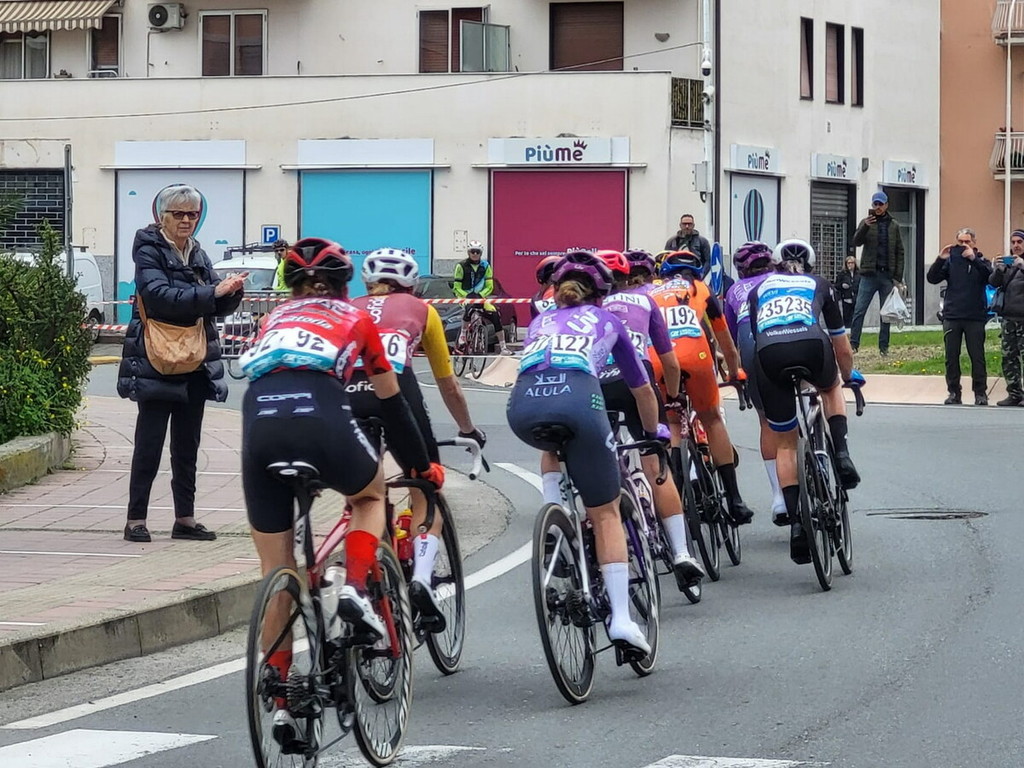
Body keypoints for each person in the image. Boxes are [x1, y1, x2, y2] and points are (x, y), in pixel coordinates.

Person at [238, 238, 443, 751]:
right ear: (343, 285)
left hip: (259, 425)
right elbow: (392, 405)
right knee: (369, 497)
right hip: (320, 416)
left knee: (277, 571)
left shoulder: (274, 318)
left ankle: (281, 701)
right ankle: (353, 587)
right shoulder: (356, 317)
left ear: (292, 287)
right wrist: (421, 466)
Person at [506, 250, 661, 657]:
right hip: (579, 401)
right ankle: (622, 620)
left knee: (553, 444)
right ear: (602, 293)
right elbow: (642, 388)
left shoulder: (539, 320)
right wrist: (652, 433)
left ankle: (555, 517)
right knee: (605, 511)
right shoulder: (608, 320)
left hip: (522, 407)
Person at [349, 247, 486, 621]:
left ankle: (366, 575)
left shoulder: (350, 307)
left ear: (367, 281)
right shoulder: (423, 310)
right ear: (411, 283)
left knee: (363, 494)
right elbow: (448, 383)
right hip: (396, 393)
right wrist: (468, 429)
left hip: (348, 395)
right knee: (425, 486)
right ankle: (422, 578)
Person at [117, 183, 247, 544]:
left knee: (187, 447)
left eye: (193, 214)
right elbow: (158, 297)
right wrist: (212, 293)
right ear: (163, 216)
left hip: (195, 361)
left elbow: (212, 303)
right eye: (179, 214)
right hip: (155, 360)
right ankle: (136, 519)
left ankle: (185, 519)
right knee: (149, 444)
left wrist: (231, 293)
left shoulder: (198, 252)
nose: (186, 220)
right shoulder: (148, 249)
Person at [748, 240, 862, 564]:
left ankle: (798, 525)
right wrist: (848, 376)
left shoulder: (758, 290)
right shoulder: (819, 284)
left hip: (769, 353)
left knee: (786, 444)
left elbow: (759, 336)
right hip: (812, 344)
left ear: (775, 266)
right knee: (831, 388)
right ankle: (842, 455)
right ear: (809, 266)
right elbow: (841, 345)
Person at [596, 249, 705, 590]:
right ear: (629, 277)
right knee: (657, 466)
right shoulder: (645, 302)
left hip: (596, 386)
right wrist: (671, 396)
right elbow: (670, 362)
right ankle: (682, 553)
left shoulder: (585, 310)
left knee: (599, 465)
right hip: (636, 382)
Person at [649, 250, 754, 525]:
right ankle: (735, 499)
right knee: (712, 419)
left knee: (673, 423)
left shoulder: (651, 293)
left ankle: (676, 495)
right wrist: (735, 372)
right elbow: (726, 341)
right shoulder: (701, 289)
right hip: (696, 356)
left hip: (660, 361)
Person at [723, 242, 789, 524]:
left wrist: (734, 373)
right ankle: (821, 453)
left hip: (754, 350)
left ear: (741, 271)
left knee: (767, 421)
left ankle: (779, 498)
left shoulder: (734, 292)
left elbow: (730, 340)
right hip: (795, 339)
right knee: (814, 392)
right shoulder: (785, 279)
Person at [927, 228, 992, 406]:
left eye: (967, 242)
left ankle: (980, 393)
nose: (963, 245)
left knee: (977, 356)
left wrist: (973, 259)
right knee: (951, 357)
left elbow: (990, 277)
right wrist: (940, 259)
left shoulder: (982, 261)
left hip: (975, 316)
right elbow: (932, 278)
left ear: (974, 243)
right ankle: (954, 392)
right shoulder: (951, 262)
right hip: (952, 315)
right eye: (960, 242)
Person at [849, 191, 905, 356]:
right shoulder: (866, 222)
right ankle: (854, 344)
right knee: (859, 310)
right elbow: (856, 242)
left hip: (886, 276)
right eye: (876, 204)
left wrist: (897, 277)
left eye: (881, 204)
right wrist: (865, 226)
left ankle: (883, 347)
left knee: (886, 313)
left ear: (886, 205)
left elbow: (900, 251)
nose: (878, 207)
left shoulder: (894, 225)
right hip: (868, 275)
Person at [453, 240, 511, 355]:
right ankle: (463, 335)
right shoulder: (461, 266)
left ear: (481, 253)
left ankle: (503, 347)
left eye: (477, 252)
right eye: (472, 251)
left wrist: (481, 295)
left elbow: (489, 286)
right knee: (469, 308)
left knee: (495, 314)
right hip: (465, 296)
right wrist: (466, 296)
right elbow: (456, 287)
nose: (475, 254)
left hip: (480, 296)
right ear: (468, 252)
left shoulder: (485, 266)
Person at [990, 229, 1024, 406]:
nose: (1016, 245)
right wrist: (998, 270)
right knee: (1008, 358)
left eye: (1019, 242)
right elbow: (993, 283)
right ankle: (1014, 393)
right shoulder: (1009, 264)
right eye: (1013, 242)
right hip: (1009, 318)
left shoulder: (1021, 264)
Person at [833, 253, 861, 328]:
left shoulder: (859, 274)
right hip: (846, 298)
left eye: (852, 263)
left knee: (855, 316)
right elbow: (836, 285)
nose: (850, 265)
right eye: (848, 263)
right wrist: (842, 286)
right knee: (846, 316)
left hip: (856, 298)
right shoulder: (842, 274)